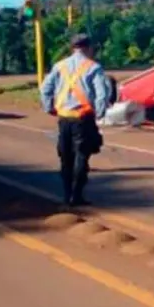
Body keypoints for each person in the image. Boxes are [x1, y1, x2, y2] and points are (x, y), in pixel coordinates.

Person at [40, 34, 110, 207]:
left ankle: (66, 194)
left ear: (73, 48)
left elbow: (45, 89)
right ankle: (76, 195)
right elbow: (102, 94)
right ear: (88, 47)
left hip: (63, 118)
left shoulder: (60, 66)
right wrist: (100, 113)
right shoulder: (94, 67)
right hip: (83, 118)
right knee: (81, 156)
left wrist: (49, 107)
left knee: (65, 157)